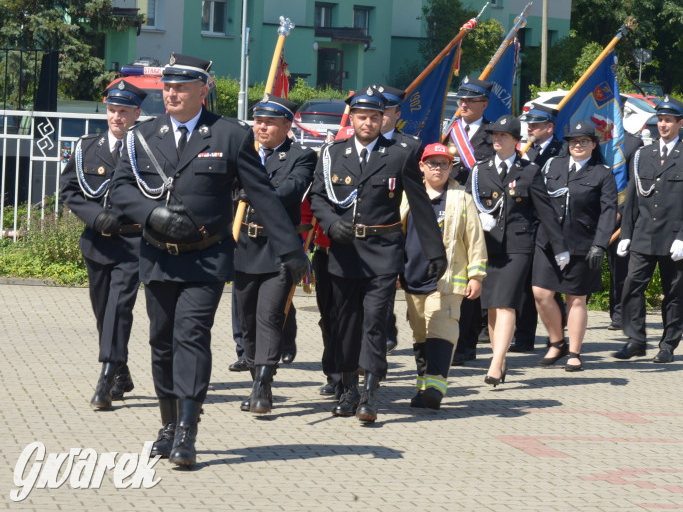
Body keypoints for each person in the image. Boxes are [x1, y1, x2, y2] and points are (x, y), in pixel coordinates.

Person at [109, 53, 308, 467]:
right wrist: (151, 214)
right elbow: (121, 187)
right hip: (159, 256)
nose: (171, 94)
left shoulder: (229, 135)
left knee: (192, 336)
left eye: (180, 88)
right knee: (161, 341)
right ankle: (167, 425)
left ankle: (187, 429)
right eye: (167, 87)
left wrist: (291, 249)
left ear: (202, 90)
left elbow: (262, 193)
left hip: (206, 258)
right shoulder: (143, 135)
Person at [309, 89, 446, 422]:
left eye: (374, 117)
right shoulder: (332, 153)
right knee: (345, 323)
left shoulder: (400, 153)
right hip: (344, 252)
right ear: (352, 118)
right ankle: (349, 389)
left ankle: (370, 392)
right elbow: (317, 197)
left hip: (383, 251)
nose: (368, 123)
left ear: (383, 119)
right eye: (362, 117)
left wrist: (435, 251)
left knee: (374, 321)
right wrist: (331, 224)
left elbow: (420, 204)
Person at [60, 79, 147, 410]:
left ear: (136, 114)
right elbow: (69, 190)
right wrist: (95, 217)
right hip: (97, 243)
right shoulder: (87, 147)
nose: (116, 117)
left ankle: (106, 379)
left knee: (118, 310)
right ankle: (121, 371)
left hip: (132, 244)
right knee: (102, 313)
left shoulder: (147, 150)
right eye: (112, 110)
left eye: (123, 111)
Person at [233, 95, 317, 414]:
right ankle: (256, 375)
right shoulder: (243, 153)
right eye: (258, 121)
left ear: (286, 126)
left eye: (270, 122)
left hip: (278, 248)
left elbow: (289, 191)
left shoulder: (301, 156)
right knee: (247, 320)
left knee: (269, 316)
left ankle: (262, 386)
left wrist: (253, 190)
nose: (262, 127)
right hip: (244, 245)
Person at [471, 114, 566, 384]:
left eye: (503, 135)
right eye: (495, 135)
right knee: (492, 307)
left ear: (516, 140)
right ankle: (499, 360)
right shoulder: (480, 170)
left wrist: (560, 247)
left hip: (518, 247)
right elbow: (468, 204)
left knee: (505, 303)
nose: (497, 139)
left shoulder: (529, 171)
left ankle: (495, 362)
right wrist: (478, 219)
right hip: (488, 247)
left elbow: (545, 212)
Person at [614, 97, 683, 362]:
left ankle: (668, 345)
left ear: (679, 123)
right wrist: (626, 233)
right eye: (660, 120)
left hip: (673, 238)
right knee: (632, 287)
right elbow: (632, 198)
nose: (663, 125)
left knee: (674, 293)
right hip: (643, 234)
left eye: (668, 121)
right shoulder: (643, 155)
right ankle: (636, 339)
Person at [400, 143, 486, 409]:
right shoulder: (407, 196)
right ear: (421, 166)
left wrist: (476, 274)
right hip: (413, 276)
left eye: (444, 164)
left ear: (451, 167)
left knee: (441, 328)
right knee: (420, 334)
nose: (438, 169)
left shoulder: (461, 198)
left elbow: (474, 237)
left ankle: (436, 387)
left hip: (447, 279)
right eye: (432, 163)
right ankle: (422, 387)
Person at [533, 121, 617, 370]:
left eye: (583, 141)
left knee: (575, 299)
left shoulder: (602, 173)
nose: (577, 145)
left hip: (581, 244)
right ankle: (557, 342)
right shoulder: (553, 165)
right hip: (548, 241)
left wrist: (600, 244)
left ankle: (574, 352)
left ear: (594, 145)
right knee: (541, 293)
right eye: (573, 141)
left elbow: (608, 211)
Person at [511, 104, 566, 353]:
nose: (530, 128)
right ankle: (524, 338)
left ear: (549, 127)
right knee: (524, 283)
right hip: (526, 223)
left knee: (550, 284)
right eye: (529, 124)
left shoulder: (562, 151)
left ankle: (557, 335)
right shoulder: (525, 151)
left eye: (535, 125)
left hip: (551, 224)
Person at [449, 76, 495, 365]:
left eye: (470, 100)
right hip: (447, 210)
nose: (463, 104)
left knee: (470, 282)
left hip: (476, 214)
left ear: (484, 104)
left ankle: (466, 344)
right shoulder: (449, 131)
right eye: (461, 100)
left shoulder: (493, 135)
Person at [375, 83, 423, 353]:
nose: (380, 115)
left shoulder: (410, 146)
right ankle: (384, 329)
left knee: (390, 282)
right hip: (370, 226)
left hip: (400, 222)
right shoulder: (355, 143)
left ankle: (389, 328)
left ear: (397, 113)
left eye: (386, 110)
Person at [607, 130, 643, 330]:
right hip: (592, 215)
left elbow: (633, 182)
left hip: (619, 218)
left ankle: (620, 313)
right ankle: (573, 310)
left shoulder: (632, 143)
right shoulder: (592, 140)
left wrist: (620, 211)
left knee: (619, 269)